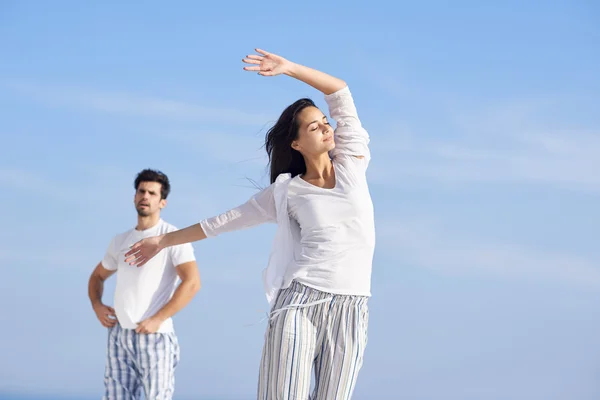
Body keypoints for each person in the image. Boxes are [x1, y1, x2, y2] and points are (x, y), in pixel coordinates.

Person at [126, 49, 375, 400]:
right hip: (300, 303)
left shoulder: (353, 162)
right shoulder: (286, 192)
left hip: (352, 307)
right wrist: (162, 242)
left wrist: (289, 68)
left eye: (325, 121)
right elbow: (223, 222)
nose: (325, 127)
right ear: (295, 142)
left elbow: (340, 93)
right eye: (313, 125)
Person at [88, 169, 201, 400]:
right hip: (119, 335)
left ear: (163, 202)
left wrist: (158, 319)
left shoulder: (172, 237)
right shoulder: (120, 241)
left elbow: (192, 282)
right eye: (141, 191)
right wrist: (97, 305)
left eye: (152, 193)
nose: (145, 196)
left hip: (156, 336)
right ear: (134, 196)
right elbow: (97, 277)